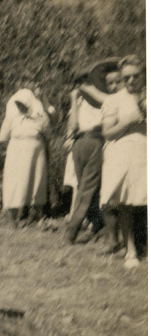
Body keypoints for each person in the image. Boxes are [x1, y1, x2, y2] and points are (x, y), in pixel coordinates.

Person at [62, 59, 120, 244]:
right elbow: (73, 125)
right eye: (81, 80)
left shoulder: (107, 97)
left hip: (96, 140)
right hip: (81, 141)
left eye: (86, 80)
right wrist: (74, 99)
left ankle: (72, 230)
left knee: (87, 189)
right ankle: (96, 226)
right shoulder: (80, 99)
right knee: (85, 188)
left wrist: (85, 89)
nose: (83, 83)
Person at [98, 55, 146, 268]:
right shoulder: (113, 100)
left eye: (136, 76)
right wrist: (128, 120)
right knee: (127, 204)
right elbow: (107, 132)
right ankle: (131, 251)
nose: (131, 81)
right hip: (124, 155)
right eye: (126, 77)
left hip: (146, 153)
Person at [0, 84, 50, 228]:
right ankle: (14, 217)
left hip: (35, 149)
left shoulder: (39, 116)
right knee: (16, 182)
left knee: (35, 180)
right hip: (17, 149)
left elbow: (47, 132)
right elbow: (3, 137)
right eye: (19, 104)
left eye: (24, 104)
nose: (21, 107)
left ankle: (36, 215)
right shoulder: (12, 118)